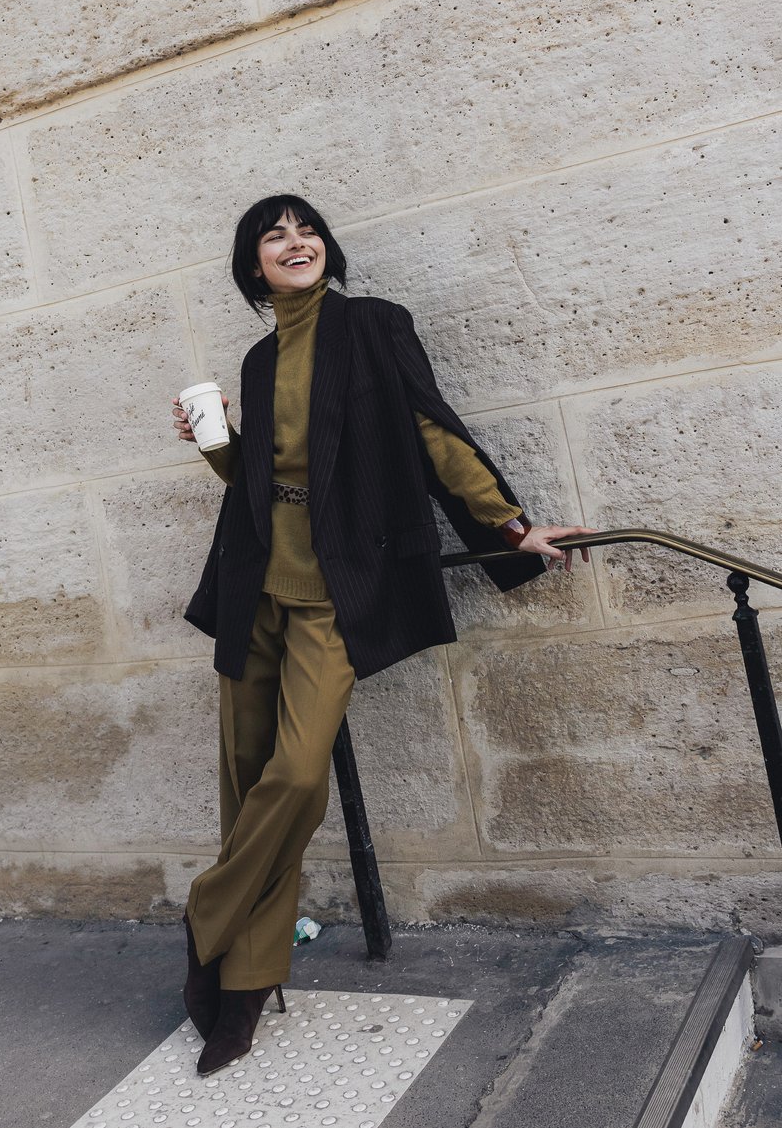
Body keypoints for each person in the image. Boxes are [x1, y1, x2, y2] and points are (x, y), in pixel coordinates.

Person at [170, 194, 591, 1076]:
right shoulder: (254, 360)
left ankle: (207, 913)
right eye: (274, 236)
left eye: (305, 228)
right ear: (254, 265)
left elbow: (437, 439)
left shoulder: (371, 326)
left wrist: (512, 530)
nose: (296, 242)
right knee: (245, 783)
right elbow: (256, 478)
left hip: (332, 592)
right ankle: (242, 990)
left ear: (325, 244)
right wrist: (214, 448)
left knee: (293, 774)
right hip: (253, 585)